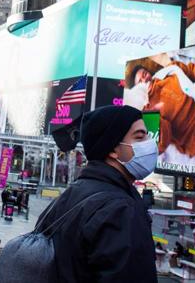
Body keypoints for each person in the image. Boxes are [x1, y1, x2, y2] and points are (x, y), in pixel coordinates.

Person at [46, 105, 158, 282]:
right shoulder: (121, 210)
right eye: (139, 137)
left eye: (148, 136)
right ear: (113, 150)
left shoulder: (68, 196)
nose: (150, 144)